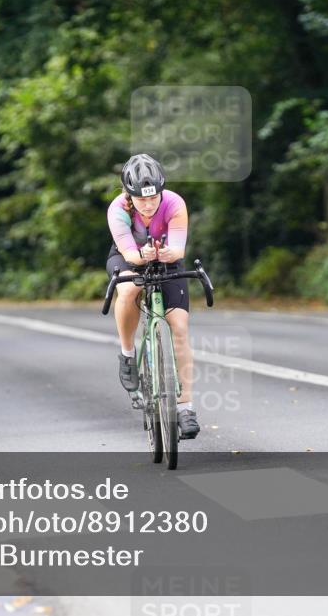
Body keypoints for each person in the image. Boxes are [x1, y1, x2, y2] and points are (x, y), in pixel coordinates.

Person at [106, 153, 199, 440]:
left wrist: (168, 252)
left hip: (166, 257)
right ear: (129, 195)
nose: (148, 205)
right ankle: (127, 354)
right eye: (141, 199)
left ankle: (185, 407)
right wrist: (140, 255)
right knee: (130, 287)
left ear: (161, 191)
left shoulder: (174, 203)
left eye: (153, 197)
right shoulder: (118, 209)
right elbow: (129, 252)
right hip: (128, 258)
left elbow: (179, 248)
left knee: (180, 328)